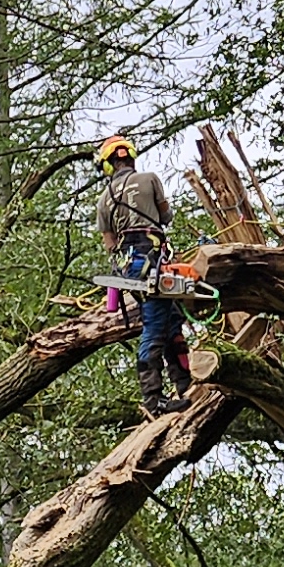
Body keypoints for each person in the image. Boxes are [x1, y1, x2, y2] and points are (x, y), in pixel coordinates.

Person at [94, 133, 192, 409]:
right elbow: (166, 217)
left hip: (131, 264)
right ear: (130, 157)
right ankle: (153, 399)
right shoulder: (149, 178)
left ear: (108, 165)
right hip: (154, 258)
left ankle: (185, 384)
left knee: (171, 318)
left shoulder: (103, 200)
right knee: (155, 325)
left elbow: (110, 244)